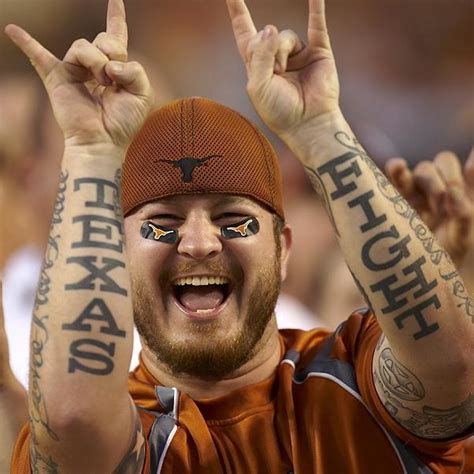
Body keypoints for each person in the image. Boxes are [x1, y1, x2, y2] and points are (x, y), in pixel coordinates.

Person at [4, 0, 473, 473]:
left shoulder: (354, 378)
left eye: (233, 219)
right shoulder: (129, 435)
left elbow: (456, 364)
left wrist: (319, 129)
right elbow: (74, 416)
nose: (200, 242)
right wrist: (91, 152)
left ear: (282, 249)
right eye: (162, 225)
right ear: (117, 261)